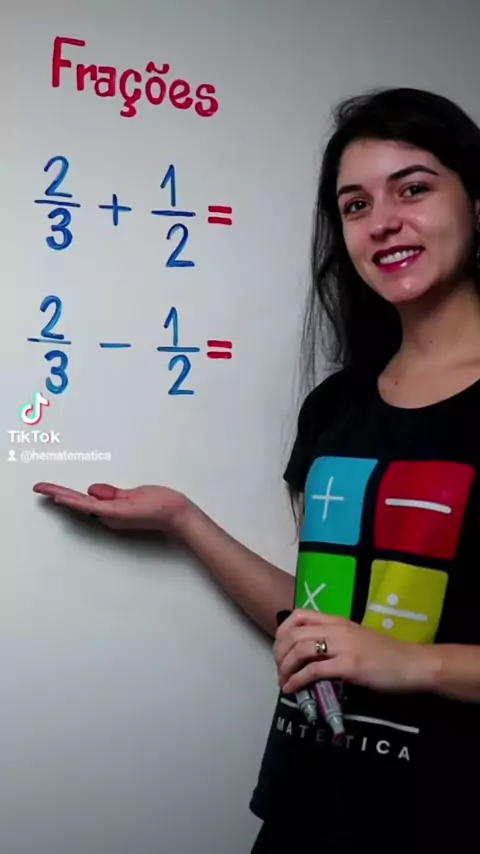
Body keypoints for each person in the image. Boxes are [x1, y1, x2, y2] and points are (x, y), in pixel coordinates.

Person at [33, 86, 480, 851]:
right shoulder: (334, 407)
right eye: (355, 205)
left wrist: (414, 664)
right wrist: (182, 520)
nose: (382, 222)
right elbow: (317, 615)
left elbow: (379, 650)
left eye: (413, 189)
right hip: (306, 809)